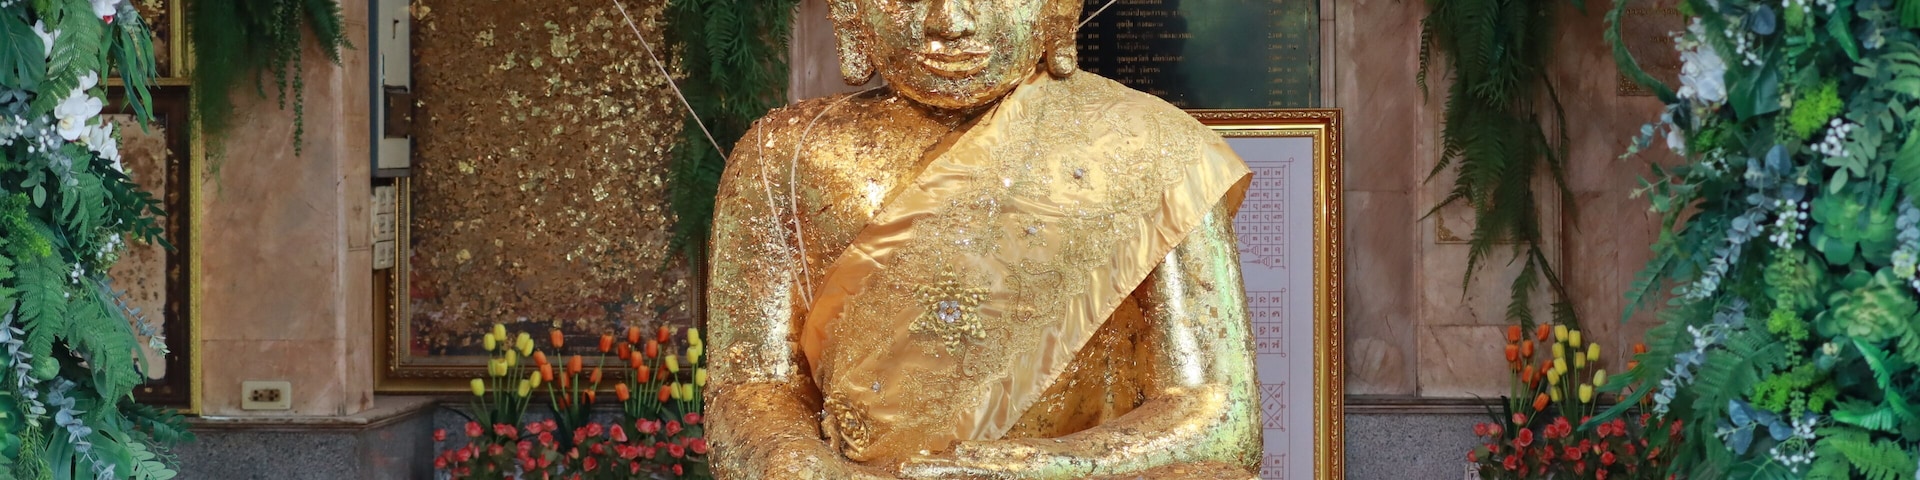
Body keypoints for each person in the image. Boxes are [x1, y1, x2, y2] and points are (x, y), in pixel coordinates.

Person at [703, 0, 1262, 477]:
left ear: (1059, 7)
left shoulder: (1148, 149)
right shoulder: (787, 155)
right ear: (850, 10)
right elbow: (751, 384)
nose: (949, 21)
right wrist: (792, 459)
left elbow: (1217, 413)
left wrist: (1041, 465)